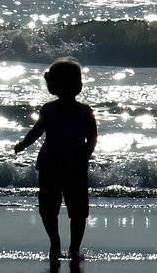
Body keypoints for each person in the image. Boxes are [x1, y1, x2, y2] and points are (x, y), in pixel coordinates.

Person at [14, 59, 98, 262]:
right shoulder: (52, 110)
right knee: (58, 208)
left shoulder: (82, 111)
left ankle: (69, 246)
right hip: (58, 163)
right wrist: (24, 144)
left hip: (64, 163)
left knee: (69, 209)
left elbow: (92, 136)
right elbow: (37, 130)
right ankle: (60, 244)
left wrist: (87, 152)